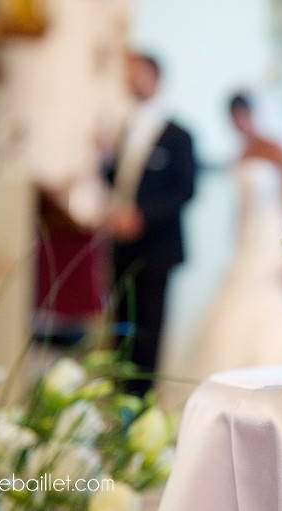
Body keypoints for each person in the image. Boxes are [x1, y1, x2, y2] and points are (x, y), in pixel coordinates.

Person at [103, 52, 198, 396]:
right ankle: (119, 396)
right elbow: (122, 183)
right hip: (122, 245)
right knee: (120, 324)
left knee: (150, 327)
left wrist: (141, 215)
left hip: (157, 247)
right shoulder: (125, 129)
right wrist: (104, 161)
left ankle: (141, 401)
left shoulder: (179, 135)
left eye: (136, 73)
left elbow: (185, 190)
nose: (130, 80)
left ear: (155, 77)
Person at [188, 92, 282, 381]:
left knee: (269, 299)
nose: (239, 124)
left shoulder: (275, 150)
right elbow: (241, 207)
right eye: (233, 119)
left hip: (273, 235)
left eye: (242, 117)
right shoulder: (240, 155)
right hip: (248, 238)